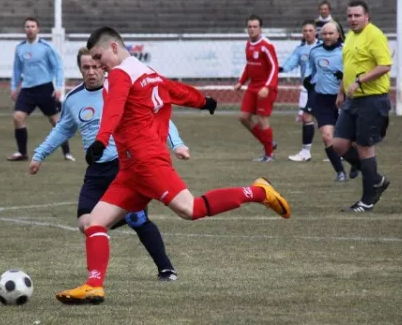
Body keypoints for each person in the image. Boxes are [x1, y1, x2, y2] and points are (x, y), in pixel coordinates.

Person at [55, 27, 291, 305]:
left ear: (114, 48)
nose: (99, 64)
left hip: (146, 161)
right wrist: (204, 101)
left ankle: (258, 192)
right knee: (95, 223)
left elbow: (115, 109)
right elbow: (173, 90)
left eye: (99, 56)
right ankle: (94, 285)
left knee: (190, 209)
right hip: (130, 169)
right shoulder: (145, 71)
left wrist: (100, 140)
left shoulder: (120, 74)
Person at [29, 47, 188, 282]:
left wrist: (177, 144)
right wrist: (39, 155)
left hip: (125, 164)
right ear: (80, 69)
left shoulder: (121, 90)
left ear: (103, 67)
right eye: (86, 68)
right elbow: (63, 128)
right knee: (86, 223)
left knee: (138, 219)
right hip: (96, 170)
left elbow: (157, 115)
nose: (92, 72)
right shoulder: (74, 99)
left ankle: (166, 269)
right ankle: (119, 221)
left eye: (95, 67)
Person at [333, 0, 392, 212]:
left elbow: (385, 65)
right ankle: (376, 178)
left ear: (366, 16)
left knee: (365, 148)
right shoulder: (349, 36)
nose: (353, 19)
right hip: (352, 100)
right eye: (349, 16)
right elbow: (349, 67)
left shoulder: (374, 35)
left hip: (372, 99)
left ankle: (367, 201)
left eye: (357, 15)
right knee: (338, 144)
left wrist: (359, 82)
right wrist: (341, 91)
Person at [7, 17, 75, 162]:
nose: (30, 29)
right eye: (27, 26)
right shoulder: (20, 48)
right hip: (27, 90)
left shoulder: (46, 48)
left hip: (45, 89)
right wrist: (14, 87)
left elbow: (58, 67)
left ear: (38, 29)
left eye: (32, 26)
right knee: (18, 118)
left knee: (56, 122)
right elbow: (17, 69)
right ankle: (22, 153)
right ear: (24, 29)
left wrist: (58, 87)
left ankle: (67, 152)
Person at [303, 22, 348, 182]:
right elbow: (313, 71)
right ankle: (340, 172)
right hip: (322, 99)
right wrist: (309, 80)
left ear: (338, 34)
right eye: (325, 34)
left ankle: (358, 164)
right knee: (327, 137)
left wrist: (343, 80)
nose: (327, 37)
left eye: (331, 34)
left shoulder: (346, 51)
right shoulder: (315, 52)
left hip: (343, 100)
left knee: (348, 142)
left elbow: (354, 73)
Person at [233, 14, 279, 162]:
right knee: (243, 117)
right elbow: (249, 65)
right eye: (249, 27)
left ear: (261, 28)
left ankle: (269, 155)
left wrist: (267, 87)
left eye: (255, 27)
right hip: (253, 87)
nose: (252, 29)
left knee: (262, 119)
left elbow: (274, 67)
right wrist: (241, 81)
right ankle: (268, 143)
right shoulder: (248, 44)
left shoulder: (266, 45)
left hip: (265, 88)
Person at [279, 20, 322, 162]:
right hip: (310, 89)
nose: (308, 33)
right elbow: (291, 62)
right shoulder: (300, 49)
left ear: (316, 32)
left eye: (310, 30)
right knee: (307, 117)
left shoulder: (323, 47)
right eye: (305, 31)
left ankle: (339, 151)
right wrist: (280, 69)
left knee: (328, 119)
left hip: (325, 88)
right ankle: (306, 152)